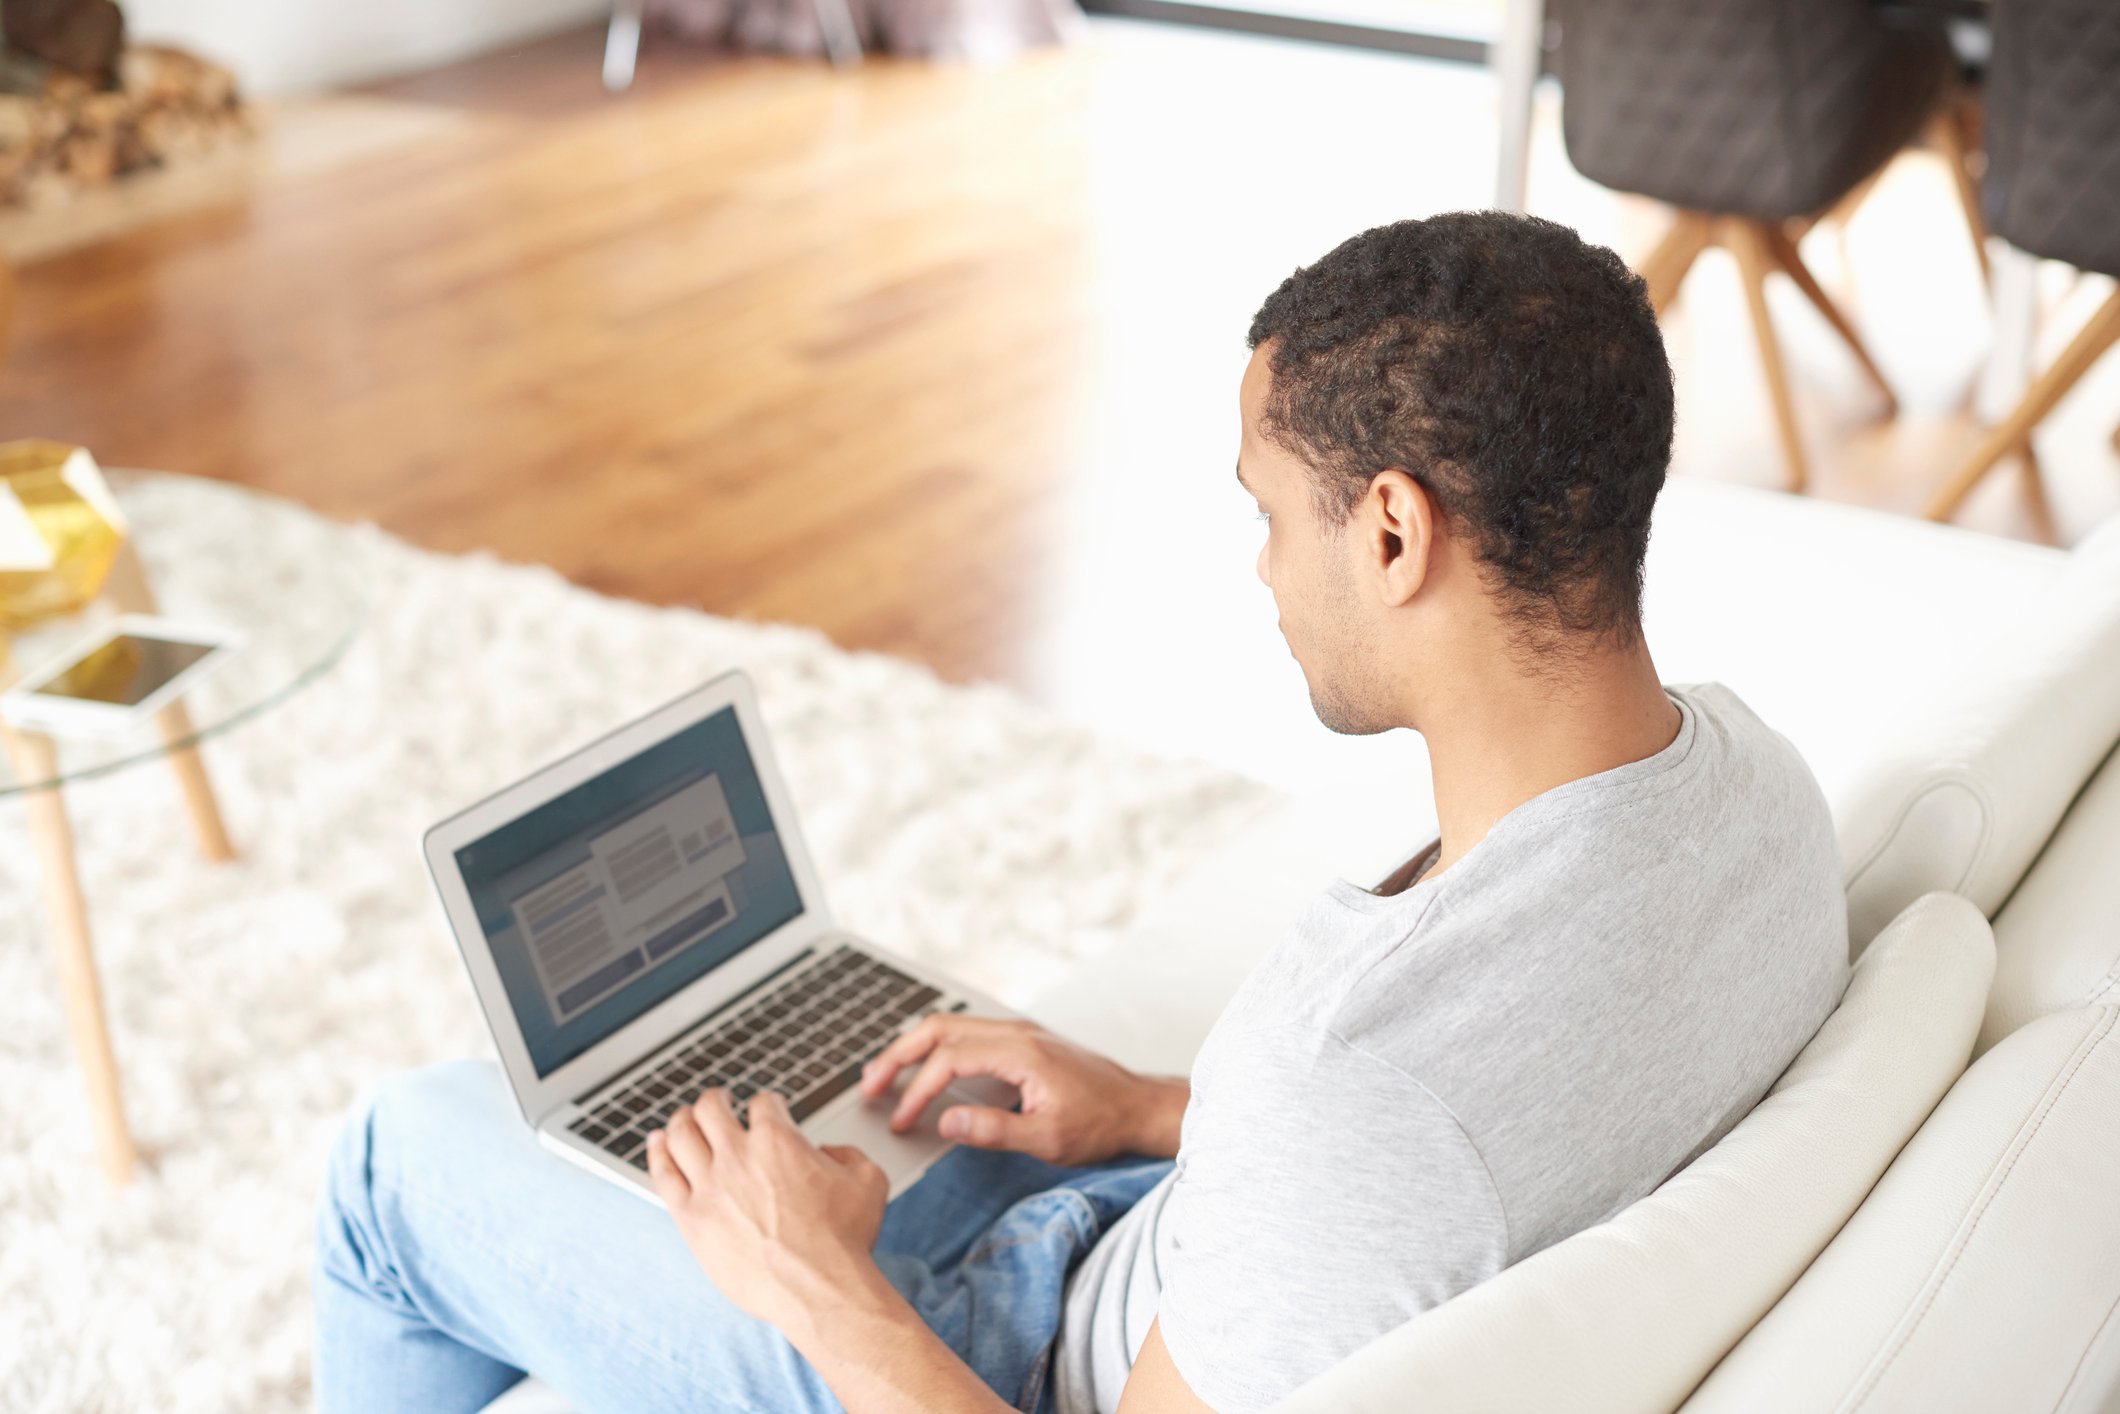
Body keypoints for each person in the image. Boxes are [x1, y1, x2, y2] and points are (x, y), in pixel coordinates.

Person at [314, 211, 1848, 1414]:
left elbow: (1379, 1140)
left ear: (1394, 530)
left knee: (390, 1162)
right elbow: (1455, 1156)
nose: (1260, 570)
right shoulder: (1761, 798)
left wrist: (813, 1279)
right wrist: (1158, 1106)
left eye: (1267, 510)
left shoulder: (1356, 1081)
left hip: (992, 1350)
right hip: (1177, 1227)